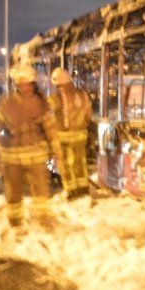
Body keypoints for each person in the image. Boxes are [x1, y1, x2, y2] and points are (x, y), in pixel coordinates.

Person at [0, 64, 61, 227]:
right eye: (21, 84)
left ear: (33, 84)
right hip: (12, 158)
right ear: (16, 85)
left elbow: (51, 130)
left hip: (36, 156)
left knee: (41, 192)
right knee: (13, 194)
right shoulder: (7, 104)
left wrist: (57, 152)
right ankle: (15, 222)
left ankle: (42, 221)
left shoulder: (41, 104)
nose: (25, 87)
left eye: (28, 83)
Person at [48, 67, 94, 199]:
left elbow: (45, 115)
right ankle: (83, 189)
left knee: (66, 165)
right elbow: (89, 115)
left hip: (64, 137)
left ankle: (71, 190)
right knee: (80, 163)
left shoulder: (56, 98)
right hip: (80, 136)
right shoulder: (82, 94)